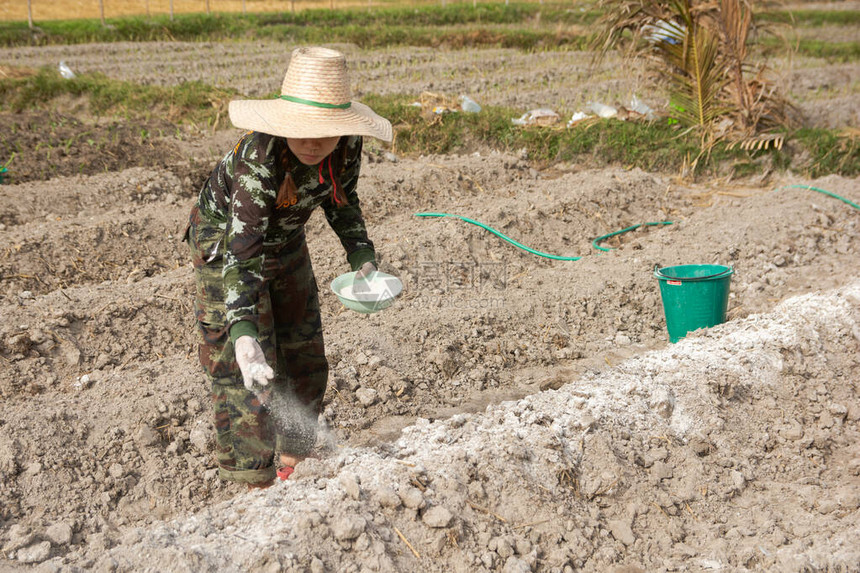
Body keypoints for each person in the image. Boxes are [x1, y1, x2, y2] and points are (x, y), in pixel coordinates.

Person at [184, 46, 392, 489]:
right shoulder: (260, 160)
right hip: (228, 246)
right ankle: (253, 481)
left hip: (287, 238)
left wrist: (362, 257)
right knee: (249, 371)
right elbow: (243, 251)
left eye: (327, 132)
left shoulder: (345, 147)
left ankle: (293, 461)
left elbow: (342, 199)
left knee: (303, 350)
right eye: (304, 132)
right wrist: (241, 330)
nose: (314, 143)